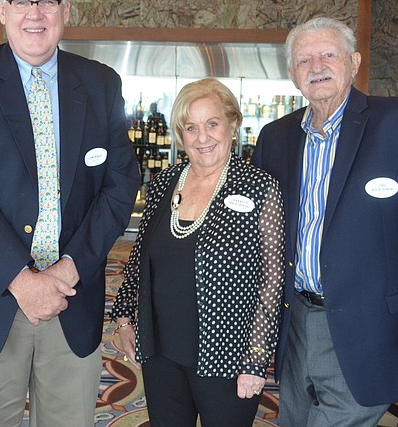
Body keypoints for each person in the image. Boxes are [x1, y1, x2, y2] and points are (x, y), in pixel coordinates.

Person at [0, 0, 141, 427]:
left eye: (48, 1)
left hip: (72, 297)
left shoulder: (101, 84)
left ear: (66, 10)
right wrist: (21, 279)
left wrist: (71, 266)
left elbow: (120, 183)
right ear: (2, 10)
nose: (35, 13)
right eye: (21, 1)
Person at [251, 16, 398, 425]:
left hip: (374, 329)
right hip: (295, 323)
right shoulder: (275, 137)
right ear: (292, 73)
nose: (317, 67)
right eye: (304, 60)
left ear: (354, 62)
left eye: (328, 55)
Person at [111, 78, 285, 426]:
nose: (202, 137)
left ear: (232, 124)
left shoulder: (259, 186)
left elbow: (272, 280)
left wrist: (256, 359)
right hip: (161, 353)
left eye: (212, 124)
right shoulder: (164, 182)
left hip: (227, 357)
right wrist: (126, 317)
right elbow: (140, 257)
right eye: (191, 127)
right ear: (180, 134)